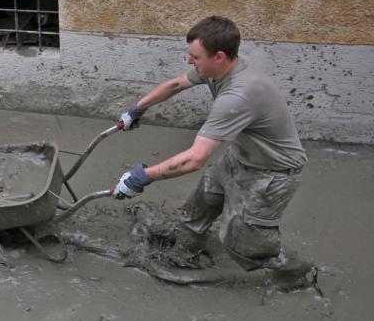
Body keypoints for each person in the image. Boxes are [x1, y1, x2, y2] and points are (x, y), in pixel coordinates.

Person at [114, 16, 314, 283]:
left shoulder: (237, 96)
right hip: (240, 158)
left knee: (247, 246)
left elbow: (195, 159)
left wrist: (142, 176)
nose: (189, 62)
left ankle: (298, 275)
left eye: (194, 56)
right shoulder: (220, 68)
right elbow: (175, 84)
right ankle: (184, 254)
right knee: (200, 206)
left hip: (272, 175)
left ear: (219, 56)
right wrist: (137, 109)